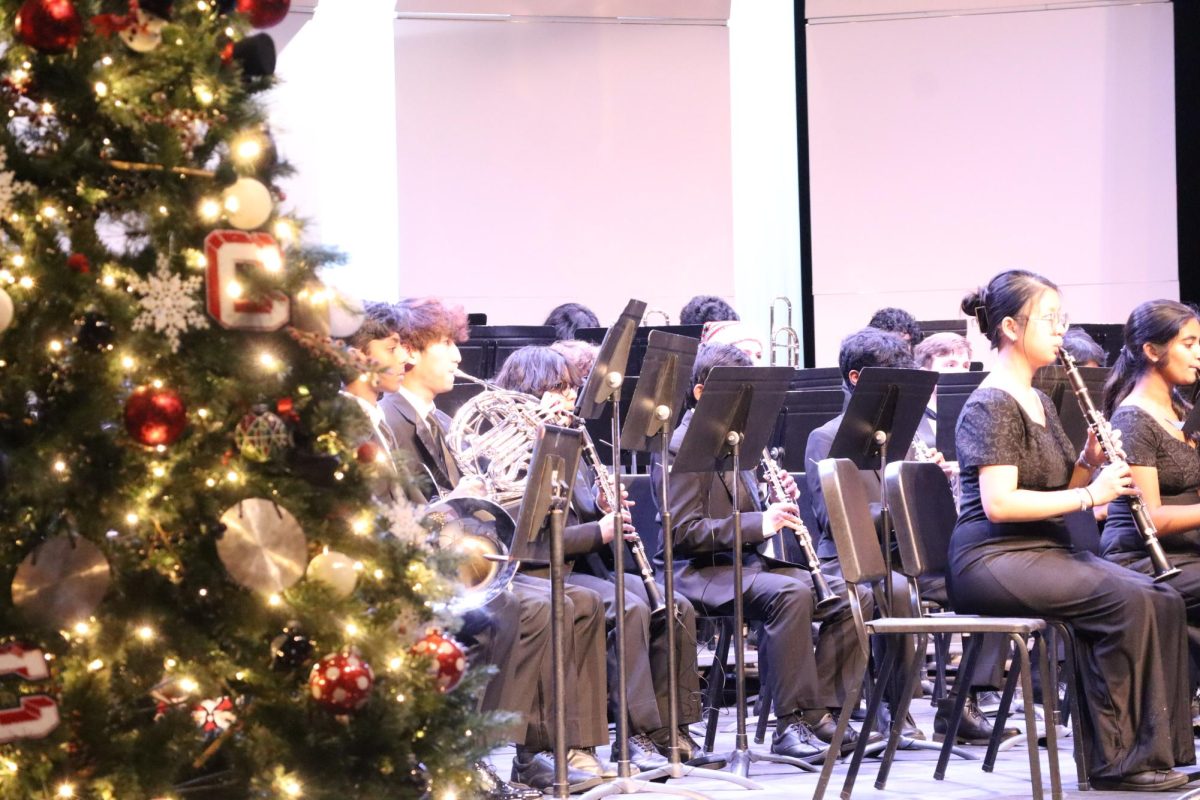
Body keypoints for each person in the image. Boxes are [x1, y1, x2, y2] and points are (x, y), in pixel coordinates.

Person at [950, 271, 1193, 792]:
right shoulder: (991, 402)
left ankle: (1160, 750)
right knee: (1123, 602)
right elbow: (999, 504)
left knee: (1162, 597)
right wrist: (1093, 493)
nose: (1061, 331)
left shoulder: (1038, 398)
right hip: (992, 558)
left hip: (1041, 548)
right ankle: (1117, 762)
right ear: (1012, 327)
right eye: (1050, 320)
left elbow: (1057, 485)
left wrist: (1087, 462)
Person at [377, 298, 611, 792]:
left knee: (577, 600)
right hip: (429, 571)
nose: (459, 357)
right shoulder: (390, 421)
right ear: (412, 352)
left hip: (464, 560)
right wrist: (463, 501)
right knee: (534, 605)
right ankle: (483, 750)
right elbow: (409, 512)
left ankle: (560, 746)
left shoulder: (440, 421)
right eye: (446, 344)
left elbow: (485, 495)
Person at [340, 301, 539, 799]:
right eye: (393, 349)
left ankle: (463, 757)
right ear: (357, 356)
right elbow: (370, 514)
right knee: (501, 609)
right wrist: (436, 524)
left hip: (408, 566)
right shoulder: (357, 421)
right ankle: (458, 758)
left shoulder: (374, 419)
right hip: (378, 582)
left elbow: (406, 505)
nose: (404, 361)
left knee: (505, 605)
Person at [650, 343, 876, 760]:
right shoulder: (679, 445)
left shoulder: (739, 443)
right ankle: (790, 725)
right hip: (695, 572)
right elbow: (681, 533)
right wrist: (760, 522)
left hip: (745, 565)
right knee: (791, 594)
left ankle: (820, 714)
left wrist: (770, 498)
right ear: (702, 393)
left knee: (854, 596)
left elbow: (744, 514)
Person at [494, 346, 704, 768]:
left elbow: (584, 521)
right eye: (556, 389)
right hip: (537, 572)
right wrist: (599, 529)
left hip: (579, 567)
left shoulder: (568, 442)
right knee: (626, 607)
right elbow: (529, 541)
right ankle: (636, 734)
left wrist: (606, 509)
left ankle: (671, 727)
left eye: (570, 389)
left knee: (674, 604)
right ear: (526, 391)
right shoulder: (508, 455)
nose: (568, 400)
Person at [804, 328, 1009, 744]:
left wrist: (931, 484)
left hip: (905, 556)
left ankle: (964, 703)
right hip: (850, 561)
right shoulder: (825, 438)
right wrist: (900, 505)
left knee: (990, 582)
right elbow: (834, 520)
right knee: (899, 593)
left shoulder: (907, 438)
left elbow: (930, 519)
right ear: (858, 379)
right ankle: (891, 709)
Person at [1099, 300, 1200, 703]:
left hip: (1186, 552)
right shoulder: (1133, 418)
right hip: (1142, 557)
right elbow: (1151, 519)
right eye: (1189, 343)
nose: (1199, 354)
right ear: (1152, 350)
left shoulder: (1182, 409)